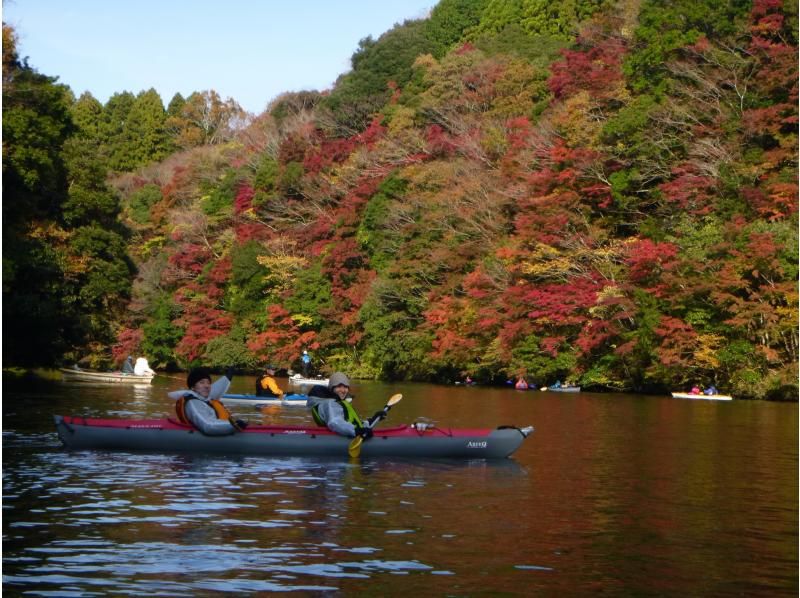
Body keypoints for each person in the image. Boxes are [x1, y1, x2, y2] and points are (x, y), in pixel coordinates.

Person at [167, 367, 247, 436]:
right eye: (202, 382)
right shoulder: (193, 403)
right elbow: (207, 426)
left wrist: (229, 375)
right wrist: (233, 425)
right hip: (212, 429)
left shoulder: (204, 398)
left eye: (208, 383)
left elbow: (217, 389)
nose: (207, 386)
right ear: (193, 387)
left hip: (225, 425)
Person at [306, 372, 371, 439]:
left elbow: (350, 422)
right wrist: (355, 431)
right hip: (338, 437)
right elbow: (334, 422)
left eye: (345, 387)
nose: (343, 390)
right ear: (332, 388)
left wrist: (369, 422)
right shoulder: (330, 403)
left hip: (348, 431)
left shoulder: (338, 401)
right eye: (339, 386)